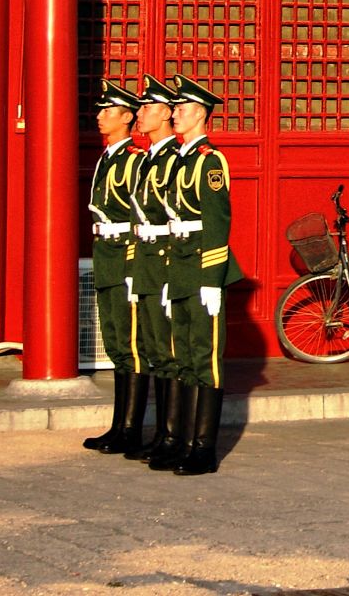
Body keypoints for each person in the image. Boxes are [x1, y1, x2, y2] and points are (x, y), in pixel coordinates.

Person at [162, 75, 242, 475]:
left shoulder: (211, 161)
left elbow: (216, 222)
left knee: (206, 357)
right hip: (178, 264)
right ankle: (185, 441)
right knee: (184, 356)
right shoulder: (180, 158)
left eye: (182, 109)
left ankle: (204, 448)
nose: (175, 114)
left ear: (200, 115)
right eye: (175, 108)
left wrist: (212, 280)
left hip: (200, 265)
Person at [84, 80, 147, 454]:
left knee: (131, 344)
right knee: (115, 345)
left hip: (125, 254)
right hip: (106, 252)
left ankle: (131, 428)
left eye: (108, 112)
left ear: (127, 118)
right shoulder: (108, 157)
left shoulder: (134, 161)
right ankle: (119, 425)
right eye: (100, 111)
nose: (100, 117)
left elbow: (144, 215)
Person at [123, 77, 184, 465]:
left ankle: (173, 434)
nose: (139, 115)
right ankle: (161, 432)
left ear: (164, 115)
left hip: (165, 262)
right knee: (153, 350)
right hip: (145, 261)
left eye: (147, 109)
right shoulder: (147, 159)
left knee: (170, 350)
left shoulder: (174, 160)